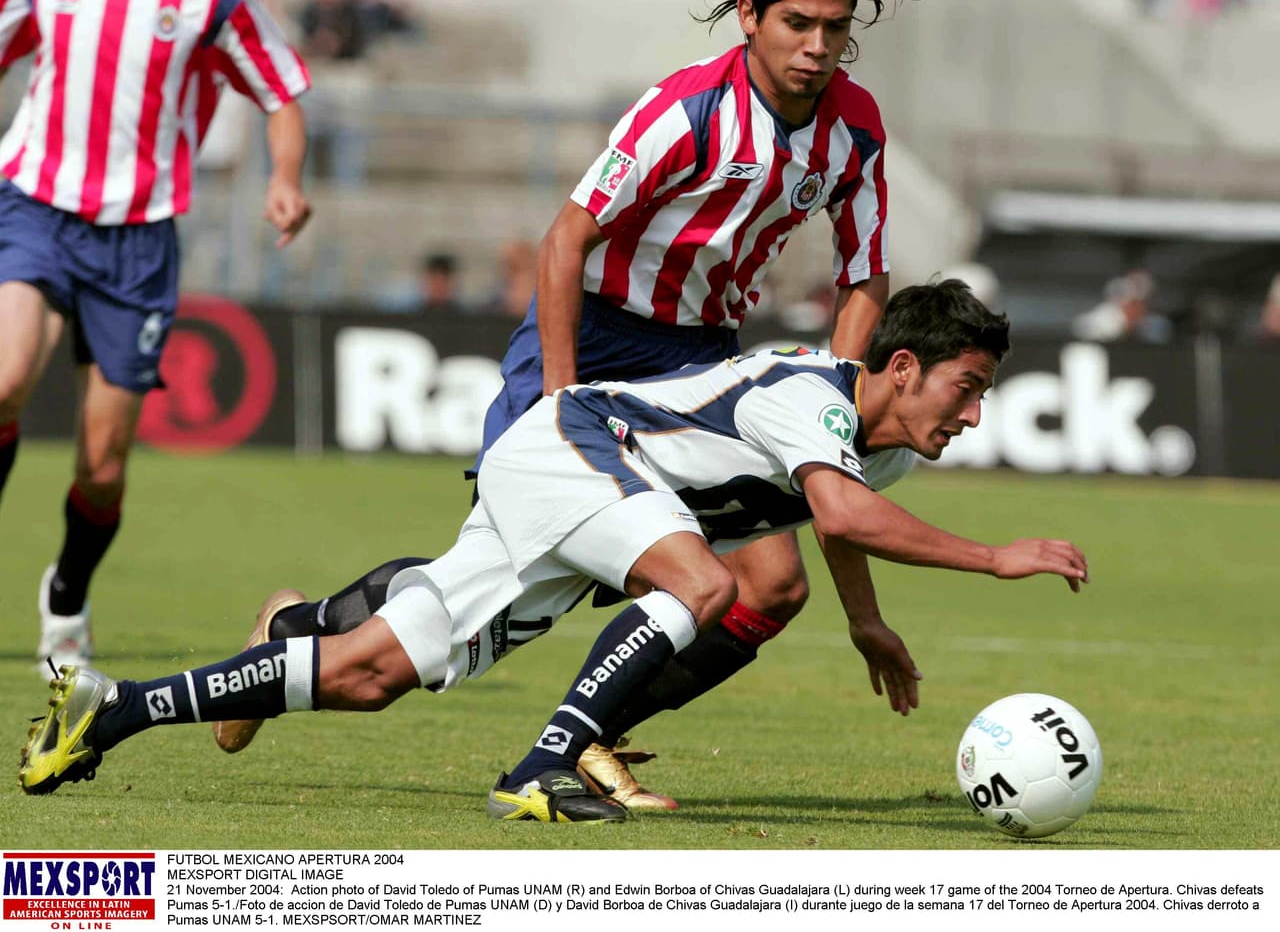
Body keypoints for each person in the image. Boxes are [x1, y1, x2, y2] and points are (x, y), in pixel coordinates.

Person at [206, 0, 905, 812]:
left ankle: (593, 737)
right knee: (515, 577)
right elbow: (566, 238)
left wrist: (832, 392)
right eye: (797, 24)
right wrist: (563, 403)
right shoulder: (684, 112)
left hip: (704, 353)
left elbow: (864, 275)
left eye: (835, 28)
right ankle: (299, 627)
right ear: (748, 15)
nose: (818, 48)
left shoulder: (855, 129)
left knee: (770, 583)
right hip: (595, 331)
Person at [20, 280, 1090, 819]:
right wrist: (998, 556)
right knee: (703, 579)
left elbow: (839, 509)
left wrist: (863, 616)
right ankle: (539, 767)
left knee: (371, 673)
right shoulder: (805, 393)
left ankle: (108, 709)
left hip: (588, 495)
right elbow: (843, 513)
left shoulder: (875, 443)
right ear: (901, 367)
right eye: (965, 388)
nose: (971, 413)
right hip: (577, 445)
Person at [0, 0, 311, 670]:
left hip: (137, 240)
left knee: (101, 465)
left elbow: (281, 93)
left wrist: (285, 177)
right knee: (3, 378)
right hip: (33, 206)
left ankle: (65, 596)